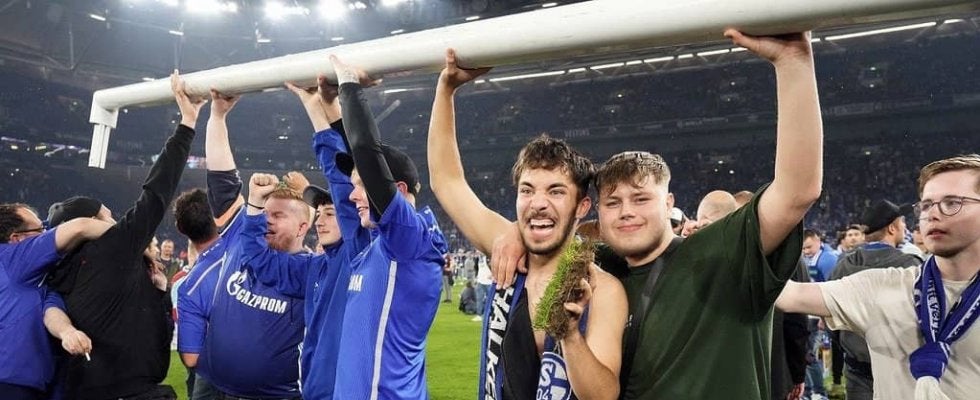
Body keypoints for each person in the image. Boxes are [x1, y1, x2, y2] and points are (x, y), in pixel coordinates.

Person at [492, 29, 823, 399]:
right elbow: (544, 237)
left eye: (641, 199)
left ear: (669, 204)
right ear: (597, 212)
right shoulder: (600, 266)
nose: (626, 212)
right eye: (613, 203)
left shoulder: (722, 254)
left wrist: (793, 62)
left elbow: (798, 191)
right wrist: (515, 231)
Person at [429, 48, 627, 399]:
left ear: (582, 206)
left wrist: (570, 335)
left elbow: (604, 395)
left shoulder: (602, 289)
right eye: (527, 190)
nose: (538, 203)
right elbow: (446, 181)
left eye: (555, 191)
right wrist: (446, 90)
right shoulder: (504, 251)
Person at [44, 71, 205, 400]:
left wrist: (158, 294)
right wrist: (187, 124)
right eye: (105, 215)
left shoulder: (56, 269)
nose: (113, 220)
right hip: (133, 392)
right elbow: (156, 193)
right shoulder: (110, 249)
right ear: (87, 224)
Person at [778, 156, 980, 400]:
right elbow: (788, 296)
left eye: (952, 203)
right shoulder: (881, 286)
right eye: (926, 205)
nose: (932, 214)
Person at [226, 75, 373, 400]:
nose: (321, 219)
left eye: (330, 213)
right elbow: (260, 261)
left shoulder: (359, 256)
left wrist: (317, 112)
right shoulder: (314, 267)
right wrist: (254, 206)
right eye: (319, 213)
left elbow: (343, 180)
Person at [329, 55, 449, 399]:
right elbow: (357, 156)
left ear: (397, 190)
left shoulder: (410, 239)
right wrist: (329, 106)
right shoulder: (385, 242)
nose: (353, 195)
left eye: (361, 185)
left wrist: (349, 87)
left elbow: (366, 150)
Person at [177, 88, 308, 400]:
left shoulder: (313, 271)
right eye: (266, 213)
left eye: (279, 215)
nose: (267, 220)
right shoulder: (243, 230)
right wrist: (218, 116)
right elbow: (221, 176)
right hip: (211, 387)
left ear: (303, 226)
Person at [0, 204, 110, 400]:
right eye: (40, 229)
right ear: (16, 239)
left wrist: (67, 332)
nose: (46, 233)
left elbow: (50, 311)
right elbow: (81, 226)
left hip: (30, 381)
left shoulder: (35, 280)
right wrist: (137, 243)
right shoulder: (13, 259)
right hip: (11, 382)